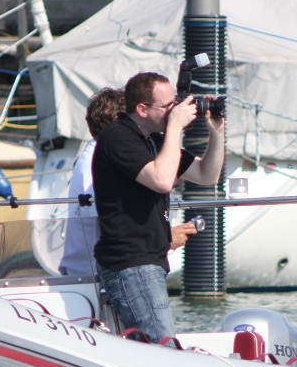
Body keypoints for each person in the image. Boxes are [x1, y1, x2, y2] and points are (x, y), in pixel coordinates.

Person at [91, 71, 225, 343]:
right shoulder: (118, 137)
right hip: (131, 264)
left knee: (155, 345)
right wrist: (175, 127)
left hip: (149, 261)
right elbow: (163, 181)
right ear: (141, 109)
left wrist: (216, 133)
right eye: (167, 106)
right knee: (162, 345)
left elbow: (206, 175)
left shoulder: (153, 138)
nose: (174, 110)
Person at [59, 87, 199, 276]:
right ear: (120, 122)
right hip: (93, 274)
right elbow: (109, 222)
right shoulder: (105, 156)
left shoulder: (97, 154)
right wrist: (166, 237)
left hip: (93, 270)